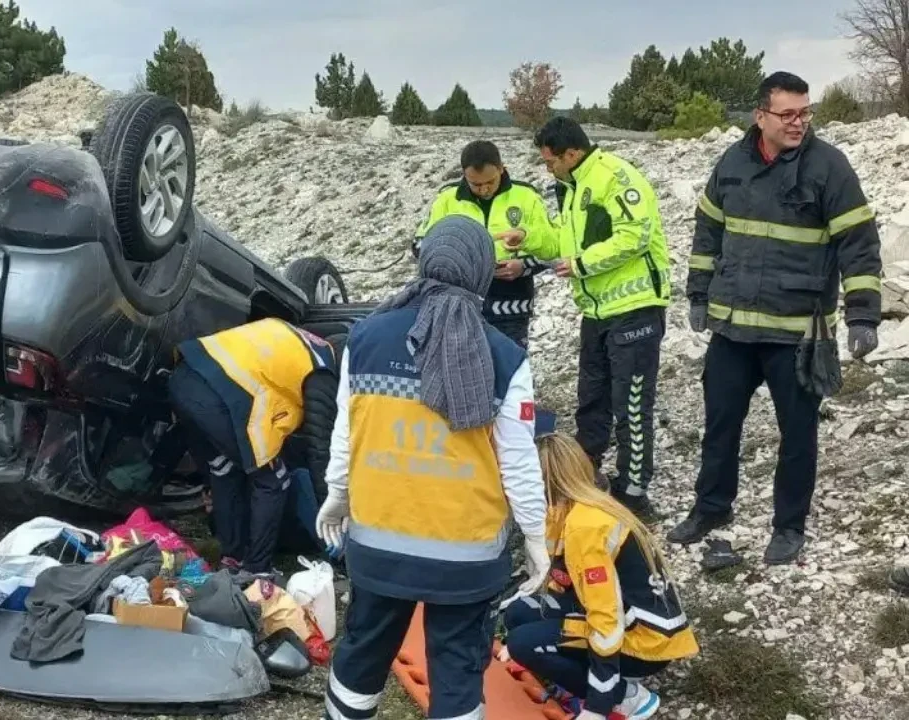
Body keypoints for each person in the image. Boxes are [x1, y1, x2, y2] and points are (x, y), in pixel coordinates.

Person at [315, 215, 549, 720]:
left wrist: (338, 492)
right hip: (466, 559)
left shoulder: (365, 337)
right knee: (460, 669)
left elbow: (346, 432)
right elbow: (519, 461)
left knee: (361, 655)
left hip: (379, 546)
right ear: (481, 271)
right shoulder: (505, 357)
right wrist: (535, 534)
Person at [669, 71, 882, 564]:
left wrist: (862, 316)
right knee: (720, 426)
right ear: (760, 116)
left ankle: (788, 527)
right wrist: (698, 293)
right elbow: (707, 231)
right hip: (733, 331)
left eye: (805, 112)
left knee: (798, 436)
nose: (799, 123)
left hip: (795, 334)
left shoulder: (830, 167)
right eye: (787, 114)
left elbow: (859, 244)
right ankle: (711, 508)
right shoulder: (731, 163)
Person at [499, 116, 671, 521]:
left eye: (549, 161)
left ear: (570, 153)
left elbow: (636, 234)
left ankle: (633, 494)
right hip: (595, 311)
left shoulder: (616, 177)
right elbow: (563, 237)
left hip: (635, 307)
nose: (547, 168)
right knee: (591, 398)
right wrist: (530, 240)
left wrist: (582, 264)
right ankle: (584, 475)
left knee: (630, 404)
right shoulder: (572, 187)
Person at [499, 432, 699, 720]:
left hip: (643, 639)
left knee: (523, 643)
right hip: (637, 617)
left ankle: (625, 696)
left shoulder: (585, 527)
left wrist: (597, 705)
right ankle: (580, 676)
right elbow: (563, 579)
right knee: (520, 614)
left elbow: (606, 619)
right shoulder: (573, 508)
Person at [168, 317, 341, 574]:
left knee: (224, 469)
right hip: (221, 397)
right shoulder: (323, 370)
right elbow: (320, 450)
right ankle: (257, 569)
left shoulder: (297, 342)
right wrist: (331, 511)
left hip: (183, 378)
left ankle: (232, 557)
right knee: (274, 479)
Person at [413, 139, 555, 348]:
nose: (484, 189)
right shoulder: (448, 199)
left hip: (511, 308)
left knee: (509, 372)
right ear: (464, 175)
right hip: (457, 307)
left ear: (501, 169)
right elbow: (420, 246)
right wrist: (460, 265)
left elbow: (552, 247)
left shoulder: (526, 197)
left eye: (490, 181)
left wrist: (523, 267)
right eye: (476, 184)